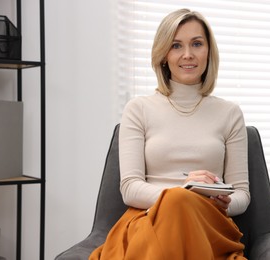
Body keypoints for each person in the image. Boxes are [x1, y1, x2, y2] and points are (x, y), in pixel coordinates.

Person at [90, 8, 250, 260]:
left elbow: (242, 194)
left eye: (197, 43)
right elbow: (130, 189)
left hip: (207, 223)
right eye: (176, 45)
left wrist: (225, 201)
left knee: (179, 202)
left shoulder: (229, 113)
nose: (188, 54)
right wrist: (182, 191)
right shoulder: (138, 109)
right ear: (164, 54)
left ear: (209, 51)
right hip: (148, 220)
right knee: (176, 201)